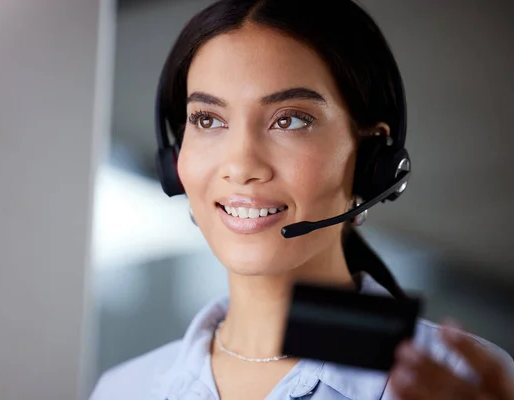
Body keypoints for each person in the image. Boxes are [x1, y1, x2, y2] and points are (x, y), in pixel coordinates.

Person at [90, 0, 514, 398]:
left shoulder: (457, 381)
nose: (240, 166)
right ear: (174, 160)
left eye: (289, 120)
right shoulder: (124, 389)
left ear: (372, 161)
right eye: (208, 119)